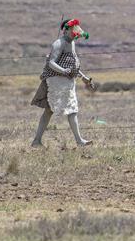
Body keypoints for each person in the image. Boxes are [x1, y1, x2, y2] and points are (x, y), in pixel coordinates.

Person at [31, 18, 96, 147]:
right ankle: (79, 141)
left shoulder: (72, 43)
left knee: (52, 110)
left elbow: (72, 65)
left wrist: (83, 77)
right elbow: (51, 62)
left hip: (67, 81)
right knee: (69, 109)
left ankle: (37, 141)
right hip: (57, 81)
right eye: (72, 30)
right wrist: (63, 71)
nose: (74, 33)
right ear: (65, 30)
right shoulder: (58, 43)